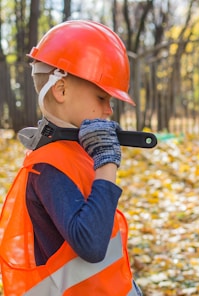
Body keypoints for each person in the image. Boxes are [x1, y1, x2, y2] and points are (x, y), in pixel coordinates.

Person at [0, 20, 143, 295]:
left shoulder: (74, 152)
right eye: (102, 98)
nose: (109, 110)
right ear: (61, 89)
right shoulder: (48, 166)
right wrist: (107, 161)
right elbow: (90, 243)